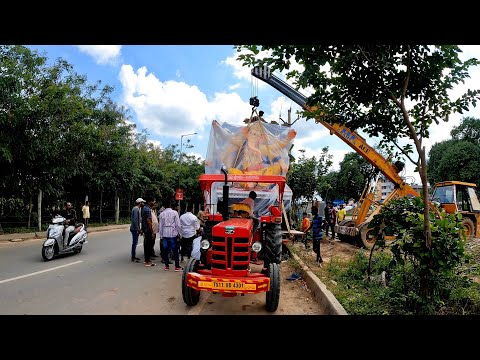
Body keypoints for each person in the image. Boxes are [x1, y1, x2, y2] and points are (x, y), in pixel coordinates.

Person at [159, 199, 183, 271]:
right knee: (175, 250)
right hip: (173, 233)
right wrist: (180, 233)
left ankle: (166, 266)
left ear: (164, 206)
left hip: (165, 233)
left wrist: (161, 236)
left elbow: (160, 225)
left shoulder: (162, 214)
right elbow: (178, 225)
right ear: (170, 205)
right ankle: (177, 266)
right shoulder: (175, 213)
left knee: (165, 250)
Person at [141, 196, 156, 267]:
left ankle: (148, 260)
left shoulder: (145, 208)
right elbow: (149, 221)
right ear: (150, 201)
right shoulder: (147, 209)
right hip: (147, 229)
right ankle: (147, 261)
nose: (154, 203)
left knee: (147, 244)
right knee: (148, 245)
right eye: (153, 201)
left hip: (145, 229)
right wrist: (152, 231)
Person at [130, 198, 145, 262]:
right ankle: (133, 256)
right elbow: (135, 220)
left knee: (135, 242)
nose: (143, 204)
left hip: (134, 228)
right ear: (140, 203)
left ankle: (133, 256)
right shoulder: (136, 209)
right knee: (135, 243)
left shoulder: (137, 209)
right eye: (142, 202)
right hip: (134, 229)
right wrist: (138, 229)